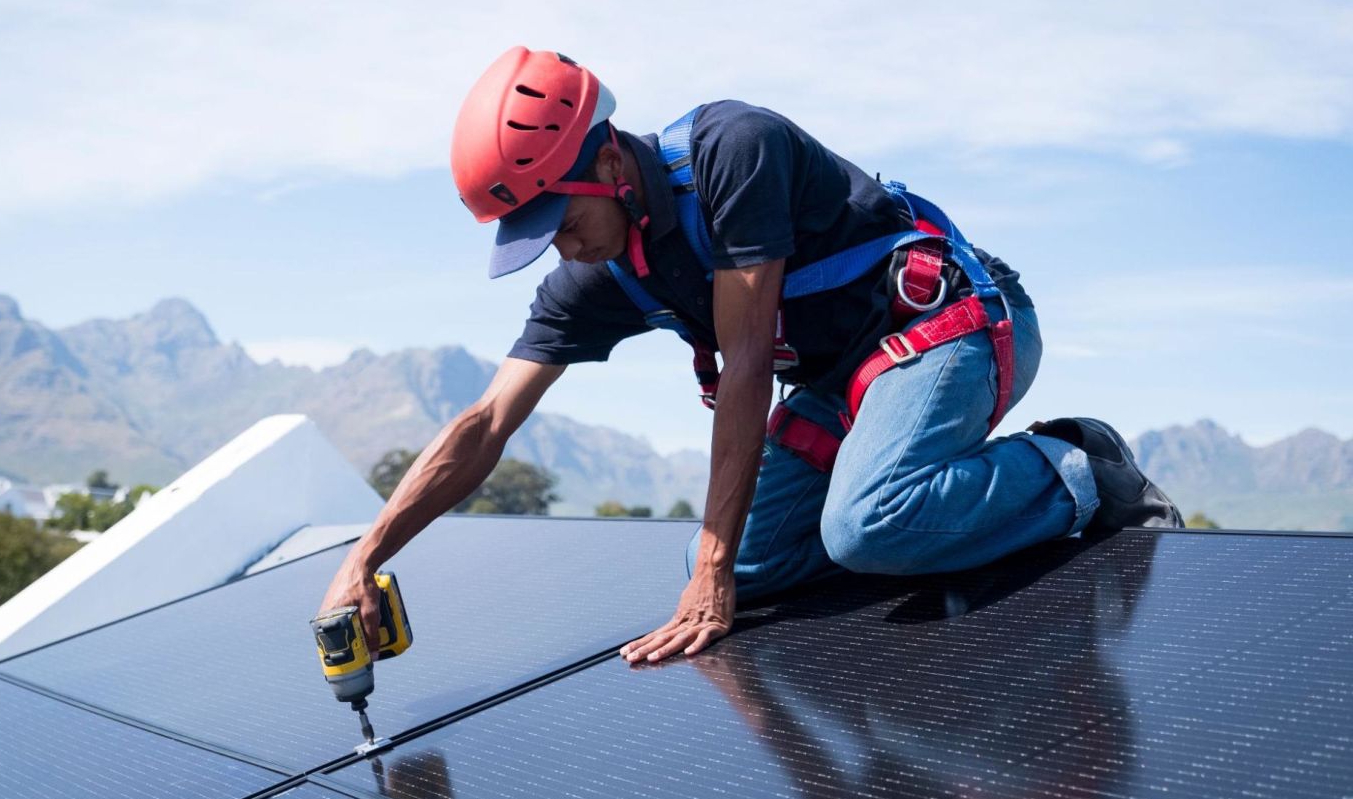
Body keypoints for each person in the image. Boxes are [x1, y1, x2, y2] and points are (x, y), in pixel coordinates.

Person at [317, 46, 1182, 664]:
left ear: (608, 162)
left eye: (563, 222)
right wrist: (367, 555)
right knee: (758, 560)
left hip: (957, 323)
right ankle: (924, 508)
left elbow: (747, 365)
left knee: (862, 524)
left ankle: (1077, 466)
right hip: (851, 383)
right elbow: (483, 426)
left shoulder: (734, 151)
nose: (565, 251)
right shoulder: (596, 278)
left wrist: (710, 569)